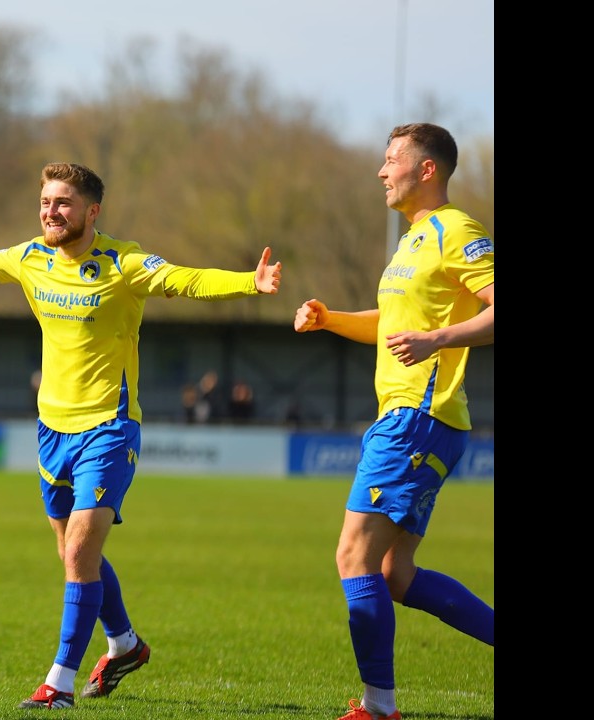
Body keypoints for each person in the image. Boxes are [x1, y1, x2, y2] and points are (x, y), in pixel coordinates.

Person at [0, 161, 281, 710]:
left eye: (63, 203)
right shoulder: (31, 257)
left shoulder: (124, 261)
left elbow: (184, 279)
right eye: (45, 202)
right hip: (51, 429)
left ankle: (59, 683)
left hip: (109, 427)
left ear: (92, 211)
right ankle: (125, 645)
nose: (51, 212)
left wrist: (248, 284)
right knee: (72, 553)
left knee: (82, 549)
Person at [292, 122, 494, 720]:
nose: (381, 171)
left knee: (353, 558)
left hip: (417, 416)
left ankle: (379, 707)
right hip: (413, 419)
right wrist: (329, 318)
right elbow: (389, 323)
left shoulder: (457, 231)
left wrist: (440, 338)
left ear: (426, 169)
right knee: (392, 573)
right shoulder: (412, 239)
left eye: (391, 160)